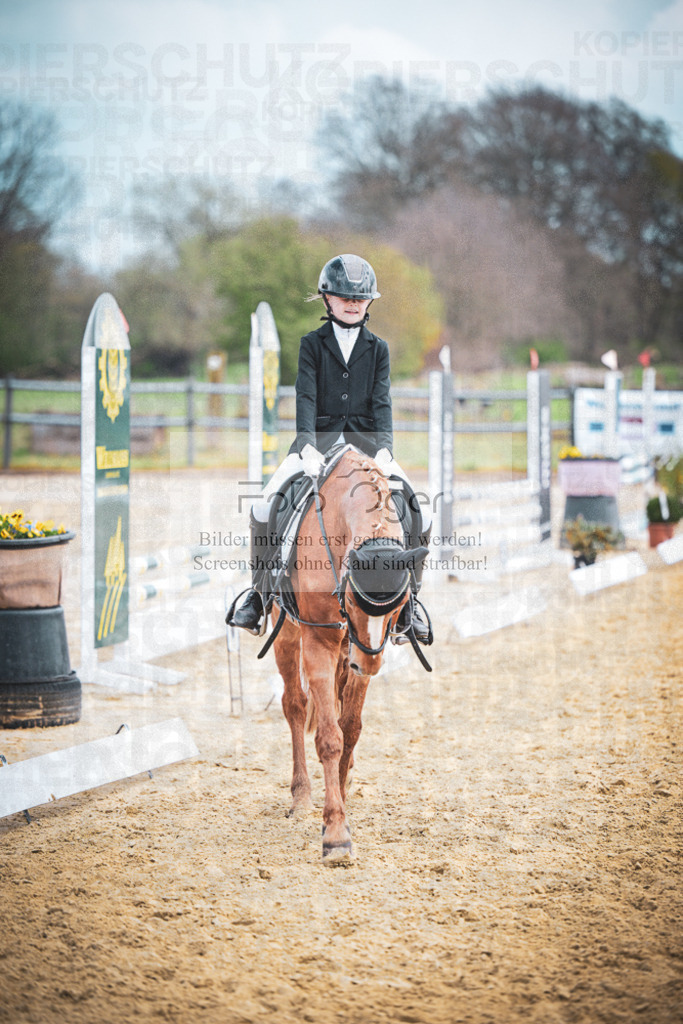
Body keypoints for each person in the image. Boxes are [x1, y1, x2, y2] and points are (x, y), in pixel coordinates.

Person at [228, 253, 431, 642]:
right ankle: (258, 594)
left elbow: (382, 401)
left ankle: (411, 604)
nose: (352, 303)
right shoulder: (311, 344)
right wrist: (305, 445)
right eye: (343, 296)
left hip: (369, 446)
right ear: (327, 299)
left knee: (418, 507)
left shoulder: (379, 349)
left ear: (370, 302)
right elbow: (305, 395)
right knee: (264, 503)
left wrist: (385, 450)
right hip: (315, 443)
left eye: (359, 298)